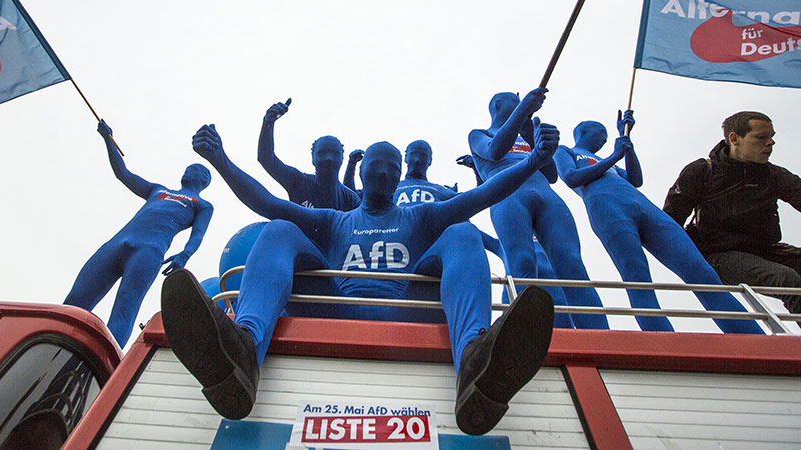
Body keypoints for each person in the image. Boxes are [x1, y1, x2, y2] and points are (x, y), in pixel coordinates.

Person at [162, 113, 561, 436]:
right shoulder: (334, 220)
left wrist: (532, 162)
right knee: (280, 228)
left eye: (392, 167)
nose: (385, 173)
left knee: (462, 232)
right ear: (364, 171)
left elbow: (482, 196)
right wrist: (221, 161)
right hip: (335, 306)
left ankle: (476, 362)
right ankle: (242, 349)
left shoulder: (420, 215)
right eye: (376, 165)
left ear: (400, 174)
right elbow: (266, 202)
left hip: (407, 307)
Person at [554, 111, 763, 334]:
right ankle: (663, 339)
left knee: (700, 270)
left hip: (643, 206)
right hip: (607, 210)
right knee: (637, 278)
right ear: (584, 131)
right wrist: (614, 156)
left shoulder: (610, 165)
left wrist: (627, 143)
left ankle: (751, 334)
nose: (604, 139)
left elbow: (636, 180)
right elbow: (572, 178)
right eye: (601, 133)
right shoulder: (566, 151)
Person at [664, 111, 801, 337]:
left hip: (767, 252)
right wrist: (691, 267)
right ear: (735, 139)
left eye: (772, 136)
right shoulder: (702, 171)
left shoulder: (774, 175)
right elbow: (668, 225)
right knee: (789, 282)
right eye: (761, 137)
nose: (771, 143)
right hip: (720, 254)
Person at [64, 120, 213, 347]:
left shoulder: (201, 204)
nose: (190, 170)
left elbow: (198, 235)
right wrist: (108, 140)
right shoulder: (158, 190)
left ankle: (108, 358)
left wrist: (185, 254)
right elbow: (123, 174)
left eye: (197, 169)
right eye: (189, 167)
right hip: (116, 245)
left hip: (148, 251)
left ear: (204, 181)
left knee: (126, 306)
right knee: (76, 299)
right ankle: (60, 337)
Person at [469, 89, 608, 329]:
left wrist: (542, 144)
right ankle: (527, 331)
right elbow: (494, 151)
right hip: (509, 198)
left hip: (546, 195)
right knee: (522, 262)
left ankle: (598, 334)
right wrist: (523, 110)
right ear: (498, 105)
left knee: (572, 263)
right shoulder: (479, 134)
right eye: (516, 102)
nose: (520, 105)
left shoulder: (525, 137)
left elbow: (552, 175)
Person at [457, 153, 577, 328]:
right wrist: (455, 206)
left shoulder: (547, 240)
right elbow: (475, 230)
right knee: (520, 333)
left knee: (566, 335)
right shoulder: (503, 245)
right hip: (518, 289)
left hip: (555, 292)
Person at [258, 98, 360, 211]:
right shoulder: (299, 182)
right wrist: (268, 123)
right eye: (322, 153)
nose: (328, 159)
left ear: (342, 158)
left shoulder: (351, 199)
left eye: (334, 154)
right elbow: (266, 159)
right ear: (313, 158)